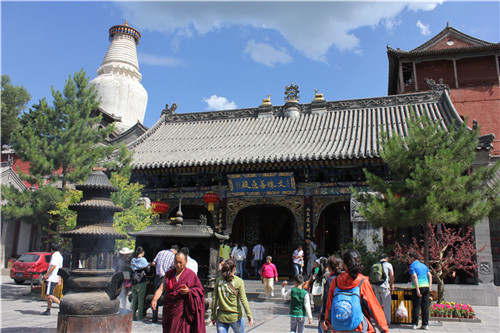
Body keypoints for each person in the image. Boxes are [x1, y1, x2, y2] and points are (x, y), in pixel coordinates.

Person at [324, 249, 388, 333]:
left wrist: (328, 323)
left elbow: (329, 306)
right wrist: (384, 329)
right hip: (359, 327)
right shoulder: (362, 281)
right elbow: (373, 307)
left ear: (344, 264)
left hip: (339, 327)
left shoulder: (335, 281)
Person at [151, 252, 206, 333]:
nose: (178, 265)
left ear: (186, 262)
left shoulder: (191, 275)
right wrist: (155, 299)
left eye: (180, 262)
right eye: (176, 262)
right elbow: (161, 289)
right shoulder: (169, 274)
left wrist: (189, 291)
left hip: (183, 311)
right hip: (170, 309)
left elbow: (200, 291)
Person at [211, 259, 254, 332]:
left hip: (221, 316)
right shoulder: (239, 281)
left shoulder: (219, 281)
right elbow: (243, 299)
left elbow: (214, 299)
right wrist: (249, 315)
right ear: (234, 268)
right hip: (235, 316)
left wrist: (213, 315)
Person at [151, 244, 179, 323]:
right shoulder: (173, 256)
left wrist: (159, 267)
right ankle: (164, 317)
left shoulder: (160, 252)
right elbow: (174, 267)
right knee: (166, 298)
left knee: (156, 297)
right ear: (176, 250)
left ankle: (154, 317)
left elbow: (153, 263)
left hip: (157, 277)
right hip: (166, 278)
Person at [319, 255, 343, 333]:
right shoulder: (345, 278)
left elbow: (326, 300)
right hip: (345, 314)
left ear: (328, 267)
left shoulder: (331, 280)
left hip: (332, 316)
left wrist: (322, 318)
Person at [408, 252, 432, 330]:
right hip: (426, 287)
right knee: (425, 306)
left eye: (408, 258)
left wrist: (417, 289)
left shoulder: (412, 266)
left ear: (412, 258)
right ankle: (425, 324)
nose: (408, 259)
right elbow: (430, 275)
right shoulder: (424, 266)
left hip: (418, 287)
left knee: (416, 306)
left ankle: (414, 324)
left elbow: (414, 276)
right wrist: (430, 287)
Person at [371, 253, 394, 325]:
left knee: (378, 305)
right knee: (386, 304)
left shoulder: (375, 265)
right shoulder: (388, 265)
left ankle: (377, 320)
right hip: (384, 287)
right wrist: (391, 285)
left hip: (376, 286)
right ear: (386, 258)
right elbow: (392, 276)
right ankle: (387, 321)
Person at [40, 242, 63, 316]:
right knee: (50, 294)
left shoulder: (54, 256)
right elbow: (60, 268)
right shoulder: (60, 256)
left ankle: (61, 304)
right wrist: (59, 277)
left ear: (52, 249)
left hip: (51, 277)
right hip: (55, 277)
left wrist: (46, 275)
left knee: (49, 294)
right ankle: (48, 309)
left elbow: (53, 266)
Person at [130, 246, 150, 321]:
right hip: (141, 281)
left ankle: (131, 315)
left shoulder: (133, 260)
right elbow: (147, 267)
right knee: (140, 300)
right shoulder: (143, 260)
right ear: (142, 253)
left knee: (133, 299)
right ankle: (140, 316)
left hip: (134, 281)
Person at [114, 247, 133, 311]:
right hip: (122, 278)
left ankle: (123, 307)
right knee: (122, 293)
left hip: (123, 278)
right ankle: (120, 307)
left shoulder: (122, 260)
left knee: (123, 293)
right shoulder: (122, 261)